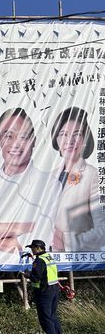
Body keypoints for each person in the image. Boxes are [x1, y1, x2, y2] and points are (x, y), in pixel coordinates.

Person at [0, 108, 58, 267]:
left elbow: (50, 233)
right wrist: (27, 226)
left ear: (33, 141)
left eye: (23, 136)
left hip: (33, 267)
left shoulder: (49, 184)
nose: (15, 143)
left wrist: (1, 231)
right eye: (8, 136)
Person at [50, 107, 105, 251]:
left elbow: (103, 230)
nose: (70, 141)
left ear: (85, 140)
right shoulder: (48, 177)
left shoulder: (92, 175)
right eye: (63, 134)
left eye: (77, 134)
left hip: (77, 259)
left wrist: (66, 242)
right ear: (56, 139)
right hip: (48, 257)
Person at [24, 239, 63, 334]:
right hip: (54, 288)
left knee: (45, 317)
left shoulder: (39, 260)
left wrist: (28, 275)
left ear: (38, 248)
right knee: (52, 315)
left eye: (32, 248)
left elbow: (36, 278)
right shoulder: (48, 257)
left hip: (45, 291)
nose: (31, 250)